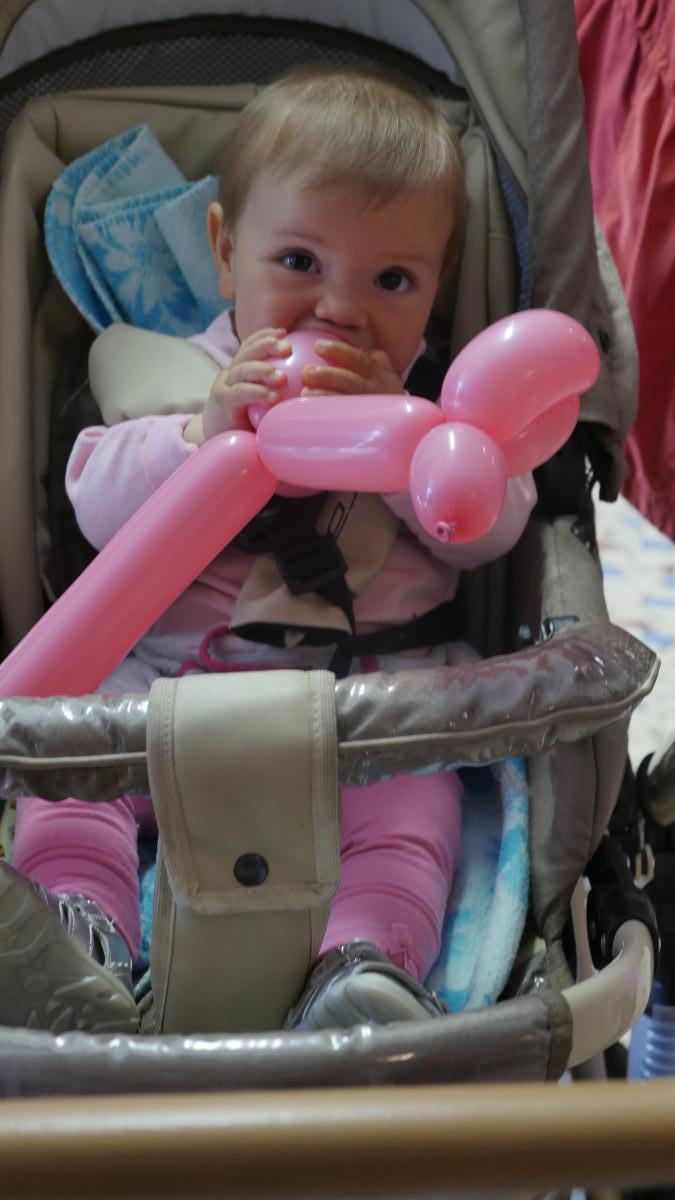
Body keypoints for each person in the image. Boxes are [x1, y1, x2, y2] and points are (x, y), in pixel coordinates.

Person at [0, 65, 536, 1035]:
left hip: (366, 710)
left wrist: (404, 445)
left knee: (416, 817)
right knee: (70, 787)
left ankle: (362, 963)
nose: (340, 309)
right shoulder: (182, 376)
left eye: (392, 280)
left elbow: (493, 528)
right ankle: (78, 933)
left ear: (438, 284)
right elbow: (93, 504)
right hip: (165, 692)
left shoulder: (437, 408)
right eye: (298, 261)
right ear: (224, 252)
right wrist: (202, 436)